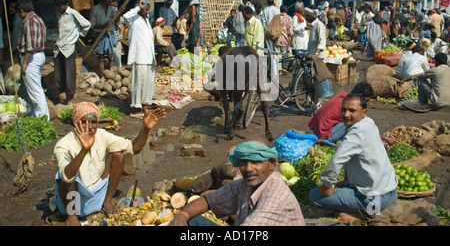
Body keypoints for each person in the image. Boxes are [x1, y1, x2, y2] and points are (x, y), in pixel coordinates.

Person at [53, 101, 166, 226]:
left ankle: (107, 202)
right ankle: (71, 216)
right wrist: (84, 150)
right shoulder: (64, 145)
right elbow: (67, 176)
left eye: (94, 122)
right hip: (74, 200)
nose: (89, 126)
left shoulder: (101, 135)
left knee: (118, 155)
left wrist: (145, 128)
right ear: (75, 123)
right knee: (64, 177)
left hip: (98, 193)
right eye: (84, 122)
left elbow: (134, 148)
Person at [168, 135, 305, 226]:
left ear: (271, 164)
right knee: (192, 220)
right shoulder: (244, 185)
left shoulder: (276, 198)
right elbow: (207, 200)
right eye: (243, 162)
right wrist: (181, 214)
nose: (248, 168)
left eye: (256, 162)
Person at [309, 94, 398, 222]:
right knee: (343, 187)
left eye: (352, 110)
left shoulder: (356, 133)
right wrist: (346, 179)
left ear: (364, 112)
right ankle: (362, 207)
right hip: (391, 192)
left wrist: (326, 188)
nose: (346, 114)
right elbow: (351, 158)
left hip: (375, 200)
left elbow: (336, 161)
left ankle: (361, 215)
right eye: (343, 110)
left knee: (315, 195)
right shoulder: (369, 123)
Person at [308, 81, 394, 145]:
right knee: (354, 124)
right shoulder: (349, 105)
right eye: (366, 100)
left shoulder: (344, 96)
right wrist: (385, 138)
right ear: (360, 95)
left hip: (317, 129)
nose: (365, 103)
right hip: (324, 134)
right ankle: (336, 143)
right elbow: (363, 126)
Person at [15, 0, 50, 119]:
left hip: (31, 57)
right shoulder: (38, 19)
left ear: (21, 11)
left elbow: (30, 46)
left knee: (36, 91)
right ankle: (36, 115)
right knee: (35, 89)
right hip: (38, 56)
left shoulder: (29, 21)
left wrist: (24, 63)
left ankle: (43, 118)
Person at [54, 0, 91, 104]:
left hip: (69, 47)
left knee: (69, 73)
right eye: (57, 6)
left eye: (60, 6)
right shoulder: (59, 14)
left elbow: (87, 25)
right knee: (58, 73)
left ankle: (71, 96)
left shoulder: (73, 14)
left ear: (66, 4)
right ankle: (62, 93)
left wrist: (78, 34)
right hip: (59, 46)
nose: (58, 8)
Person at [123, 0, 157, 118]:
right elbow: (125, 17)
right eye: (145, 9)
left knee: (148, 83)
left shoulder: (147, 20)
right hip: (140, 56)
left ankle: (145, 106)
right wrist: (138, 7)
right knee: (139, 83)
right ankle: (135, 109)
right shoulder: (133, 19)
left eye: (148, 10)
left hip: (149, 57)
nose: (147, 12)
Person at [89, 0, 119, 78]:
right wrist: (103, 26)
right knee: (101, 57)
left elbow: (116, 21)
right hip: (100, 35)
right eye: (109, 0)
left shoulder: (112, 9)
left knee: (111, 57)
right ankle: (102, 77)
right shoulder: (95, 10)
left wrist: (119, 12)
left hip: (110, 34)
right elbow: (92, 24)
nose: (111, 1)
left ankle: (111, 76)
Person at [273, 5, 293, 71]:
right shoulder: (289, 18)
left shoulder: (276, 18)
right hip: (285, 40)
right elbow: (290, 32)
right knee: (284, 55)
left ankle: (278, 69)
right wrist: (291, 40)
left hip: (276, 39)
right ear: (287, 10)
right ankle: (284, 68)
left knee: (277, 55)